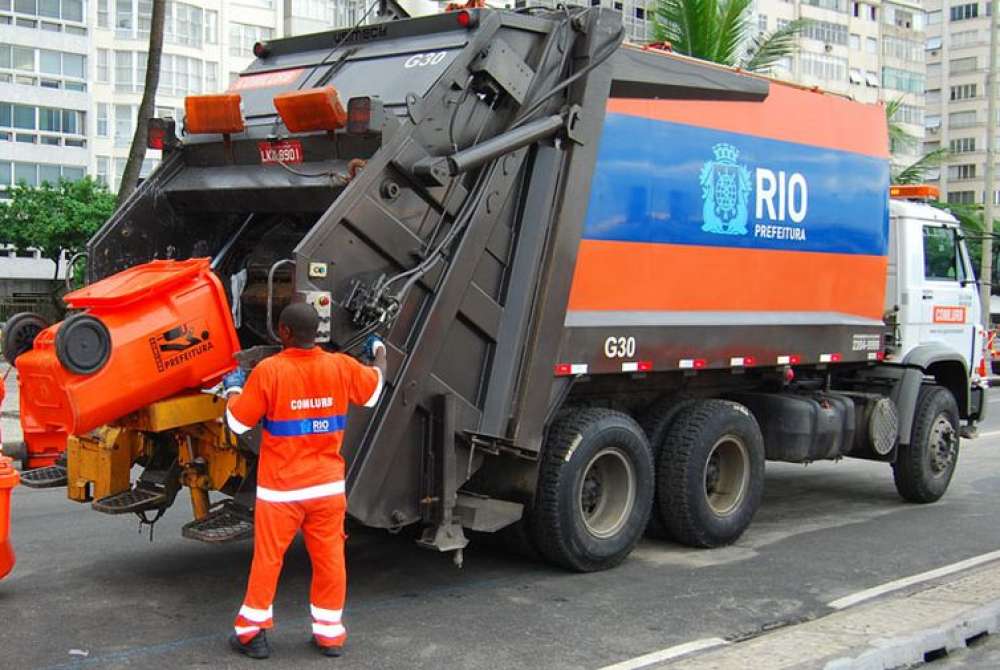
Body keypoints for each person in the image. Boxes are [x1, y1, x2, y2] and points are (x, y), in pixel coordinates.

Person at [222, 302, 387, 660]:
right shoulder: (340, 366)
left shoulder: (269, 371)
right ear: (318, 333)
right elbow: (375, 388)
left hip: (282, 490)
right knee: (329, 558)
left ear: (283, 332)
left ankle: (252, 633)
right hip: (327, 488)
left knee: (268, 559)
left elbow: (237, 422)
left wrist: (233, 388)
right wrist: (378, 350)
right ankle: (329, 635)